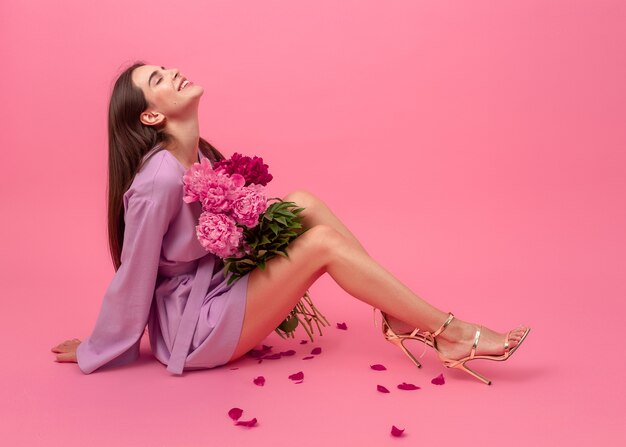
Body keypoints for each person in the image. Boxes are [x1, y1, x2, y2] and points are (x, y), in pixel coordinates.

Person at [51, 61, 530, 384]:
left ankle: (403, 316)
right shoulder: (157, 179)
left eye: (166, 67)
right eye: (157, 78)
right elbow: (134, 270)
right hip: (193, 328)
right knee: (321, 244)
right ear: (152, 114)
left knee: (303, 202)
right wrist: (99, 346)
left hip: (217, 287)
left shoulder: (192, 154)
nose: (172, 71)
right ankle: (449, 333)